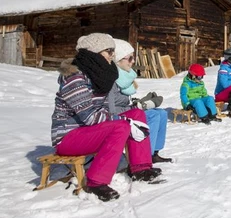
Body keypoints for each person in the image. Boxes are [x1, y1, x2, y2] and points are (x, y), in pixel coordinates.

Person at [51, 33, 161, 202]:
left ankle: (141, 168)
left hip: (90, 131)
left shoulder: (98, 75)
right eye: (109, 51)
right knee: (121, 126)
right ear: (94, 52)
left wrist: (128, 117)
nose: (112, 55)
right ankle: (96, 182)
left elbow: (104, 110)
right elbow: (89, 117)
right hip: (68, 137)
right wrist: (123, 121)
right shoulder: (74, 77)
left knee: (137, 114)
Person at [112, 39, 172, 163]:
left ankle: (154, 152)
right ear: (118, 59)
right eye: (129, 58)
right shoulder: (112, 79)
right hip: (116, 117)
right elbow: (111, 107)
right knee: (153, 115)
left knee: (162, 113)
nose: (133, 61)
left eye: (133, 58)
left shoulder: (124, 76)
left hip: (126, 111)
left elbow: (123, 101)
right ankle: (145, 156)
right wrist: (135, 107)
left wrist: (138, 103)